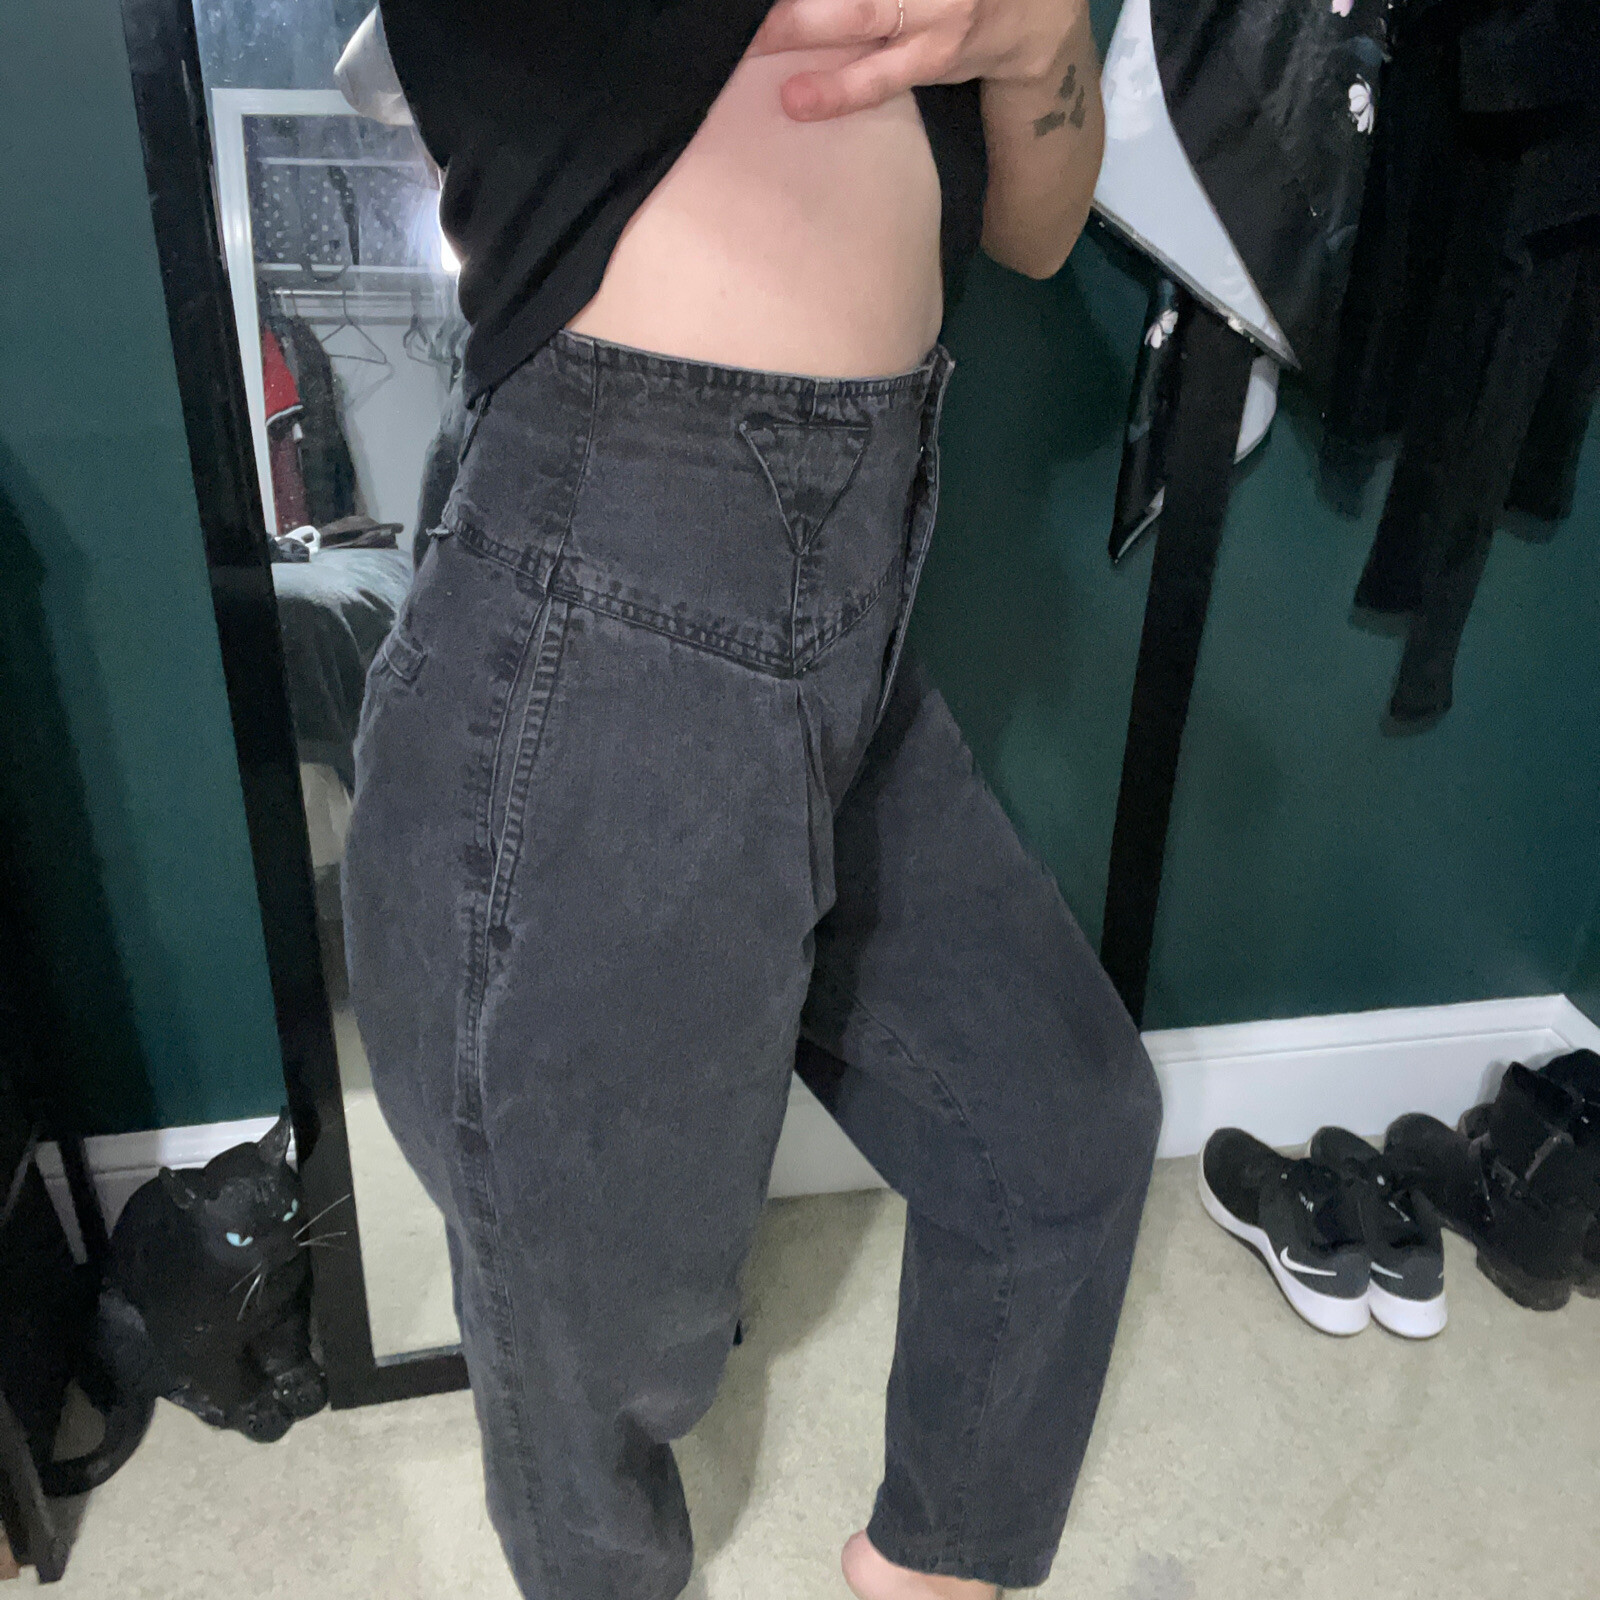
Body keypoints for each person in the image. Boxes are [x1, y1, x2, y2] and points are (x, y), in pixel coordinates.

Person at [340, 3, 1163, 1598]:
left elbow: (1039, 229)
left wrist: (1036, 38)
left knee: (1061, 1130)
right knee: (598, 1324)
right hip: (624, 545)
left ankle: (930, 1570)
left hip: (857, 577)